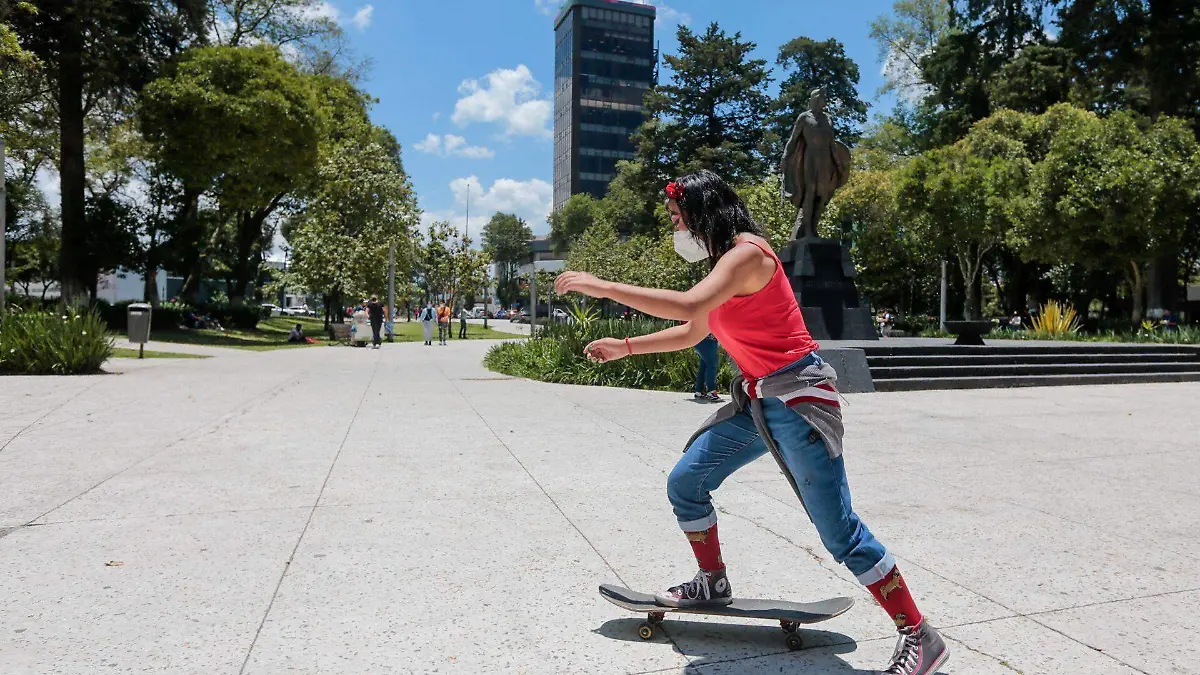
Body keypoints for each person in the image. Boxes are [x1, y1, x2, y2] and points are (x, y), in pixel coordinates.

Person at [554, 170, 947, 675]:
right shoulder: (724, 265)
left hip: (798, 399)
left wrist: (603, 286)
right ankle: (712, 580)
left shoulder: (747, 255)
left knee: (840, 534)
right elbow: (693, 329)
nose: (675, 229)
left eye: (678, 219)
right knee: (687, 482)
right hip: (757, 401)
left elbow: (690, 305)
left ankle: (920, 634)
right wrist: (624, 347)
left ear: (700, 215)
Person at [693, 333, 720, 402]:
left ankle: (699, 391)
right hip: (707, 341)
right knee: (712, 365)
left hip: (700, 340)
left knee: (704, 365)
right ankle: (711, 391)